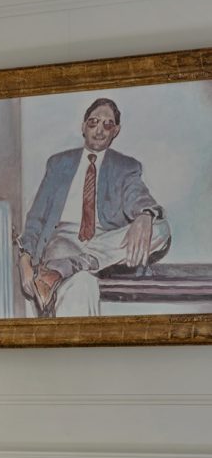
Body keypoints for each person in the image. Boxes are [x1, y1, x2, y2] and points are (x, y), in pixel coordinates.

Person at [17, 97, 169, 317]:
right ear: (83, 126)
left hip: (106, 241)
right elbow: (36, 219)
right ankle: (71, 264)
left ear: (116, 130)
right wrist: (24, 257)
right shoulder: (58, 164)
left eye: (107, 124)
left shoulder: (126, 166)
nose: (99, 130)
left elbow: (139, 197)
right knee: (83, 283)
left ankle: (70, 265)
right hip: (64, 241)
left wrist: (145, 216)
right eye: (93, 122)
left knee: (161, 228)